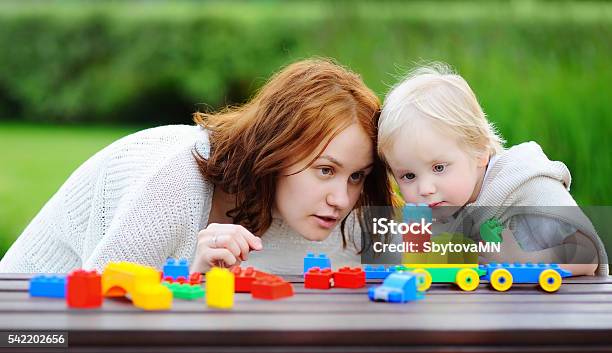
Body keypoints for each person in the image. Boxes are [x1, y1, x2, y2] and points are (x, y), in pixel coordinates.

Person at [0, 58, 394, 275]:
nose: (342, 198)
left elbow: (417, 263)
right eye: (325, 169)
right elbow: (102, 311)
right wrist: (193, 276)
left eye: (357, 175)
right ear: (277, 149)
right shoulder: (174, 181)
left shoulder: (319, 206)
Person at [377, 63, 608, 276]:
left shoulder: (525, 186)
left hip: (563, 311)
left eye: (438, 167)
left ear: (480, 152)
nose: (424, 189)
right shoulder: (440, 207)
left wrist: (527, 261)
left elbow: (589, 255)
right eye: (408, 176)